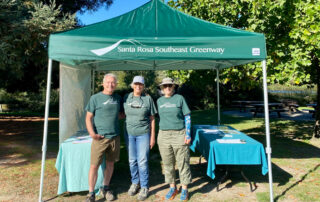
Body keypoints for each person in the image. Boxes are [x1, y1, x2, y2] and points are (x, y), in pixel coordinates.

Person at [85, 73, 123, 202]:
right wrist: (92, 134)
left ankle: (105, 188)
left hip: (115, 137)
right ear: (103, 83)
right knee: (94, 166)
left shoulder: (118, 98)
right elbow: (88, 117)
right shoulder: (95, 98)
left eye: (113, 82)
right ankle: (91, 193)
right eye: (108, 82)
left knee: (110, 164)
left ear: (116, 84)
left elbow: (121, 115)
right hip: (100, 138)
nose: (110, 84)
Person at [157, 77, 192, 201]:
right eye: (165, 86)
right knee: (167, 164)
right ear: (162, 88)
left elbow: (187, 117)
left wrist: (188, 134)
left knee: (182, 163)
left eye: (169, 86)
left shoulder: (180, 99)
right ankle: (172, 187)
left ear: (173, 87)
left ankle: (185, 189)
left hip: (179, 134)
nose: (167, 88)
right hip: (164, 135)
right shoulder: (159, 101)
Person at [123, 76, 157, 201]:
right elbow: (121, 113)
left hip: (143, 133)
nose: (138, 86)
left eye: (140, 84)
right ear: (132, 85)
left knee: (142, 161)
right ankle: (135, 183)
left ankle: (144, 186)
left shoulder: (148, 99)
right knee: (132, 160)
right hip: (129, 133)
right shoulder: (126, 97)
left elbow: (152, 118)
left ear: (143, 86)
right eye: (136, 84)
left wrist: (152, 137)